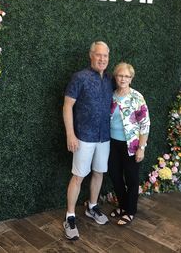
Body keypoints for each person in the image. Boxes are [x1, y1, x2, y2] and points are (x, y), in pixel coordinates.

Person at [63, 41, 113, 240]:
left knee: (99, 173)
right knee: (78, 176)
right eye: (99, 55)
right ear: (91, 56)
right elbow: (67, 106)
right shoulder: (79, 77)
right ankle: (70, 216)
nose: (102, 59)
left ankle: (92, 207)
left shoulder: (110, 79)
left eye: (106, 56)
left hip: (104, 137)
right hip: (83, 136)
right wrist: (70, 134)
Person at [108, 62, 150, 225]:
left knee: (131, 179)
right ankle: (123, 205)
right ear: (115, 77)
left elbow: (145, 124)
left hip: (131, 145)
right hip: (111, 143)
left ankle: (130, 211)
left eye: (127, 76)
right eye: (120, 75)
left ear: (131, 78)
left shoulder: (137, 97)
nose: (123, 78)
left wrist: (141, 147)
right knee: (115, 176)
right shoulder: (110, 95)